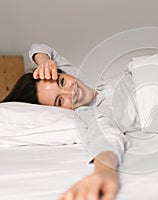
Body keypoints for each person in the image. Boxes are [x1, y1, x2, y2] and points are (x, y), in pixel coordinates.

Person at [2, 44, 137, 200]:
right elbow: (105, 139)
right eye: (60, 101)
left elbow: (38, 47)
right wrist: (104, 171)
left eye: (62, 82)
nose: (71, 92)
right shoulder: (89, 114)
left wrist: (44, 62)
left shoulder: (79, 78)